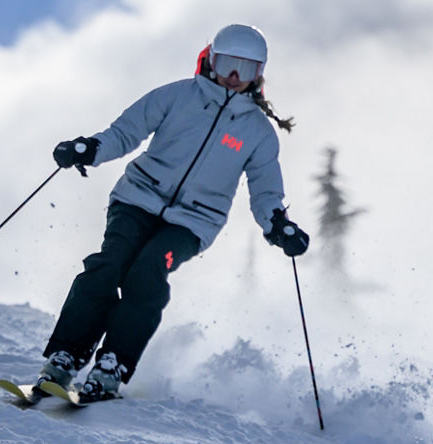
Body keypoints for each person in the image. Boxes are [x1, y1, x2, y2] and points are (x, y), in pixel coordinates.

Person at [28, 24, 309, 402]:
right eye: (227, 63)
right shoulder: (179, 96)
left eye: (246, 68)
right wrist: (89, 149)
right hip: (136, 199)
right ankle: (66, 357)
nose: (234, 76)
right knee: (108, 265)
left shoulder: (257, 132)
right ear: (210, 58)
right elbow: (125, 132)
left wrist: (277, 224)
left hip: (193, 222)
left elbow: (265, 189)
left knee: (148, 273)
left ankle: (112, 364)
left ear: (260, 73)